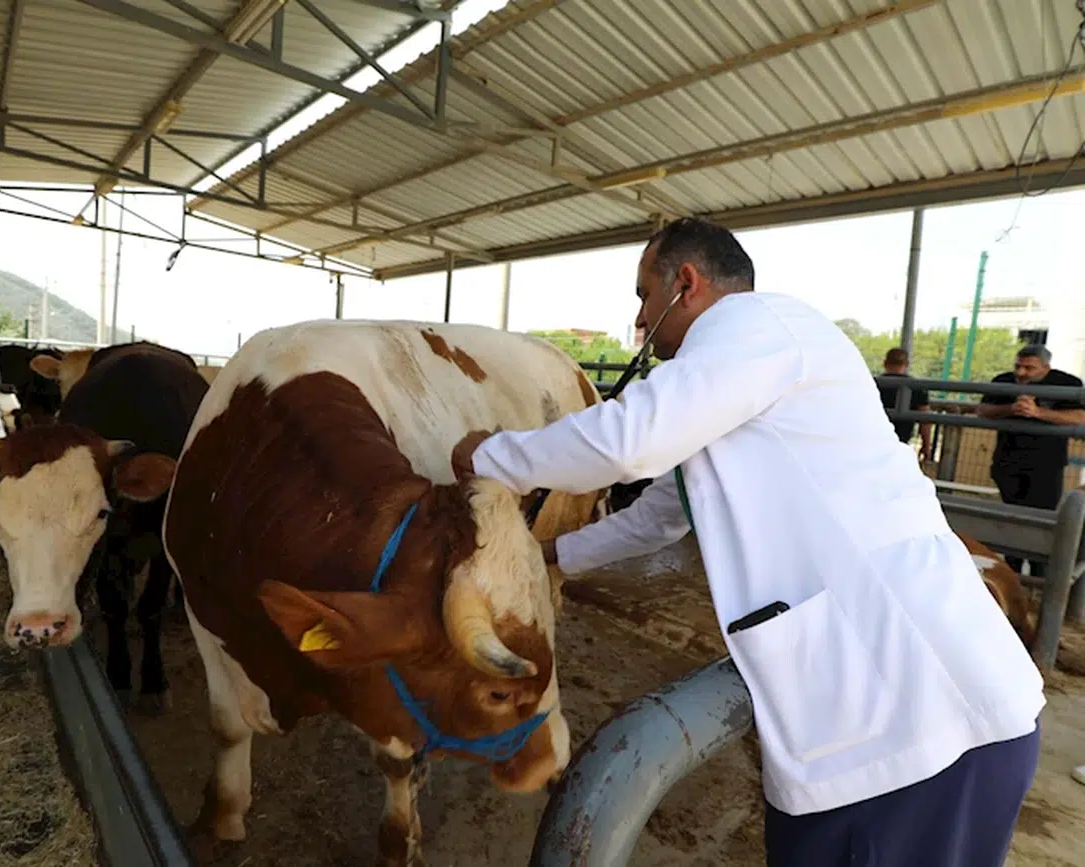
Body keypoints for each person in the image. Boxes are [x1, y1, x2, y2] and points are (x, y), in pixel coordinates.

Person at [452, 218, 1044, 867]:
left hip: (918, 728)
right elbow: (657, 517)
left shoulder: (757, 327)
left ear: (687, 283)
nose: (641, 318)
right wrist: (552, 558)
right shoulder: (732, 386)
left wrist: (491, 455)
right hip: (877, 729)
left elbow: (626, 441)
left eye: (645, 295)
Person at [976, 345, 1085, 576]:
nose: (1022, 372)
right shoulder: (1004, 380)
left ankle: (1038, 576)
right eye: (1018, 366)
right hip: (1007, 462)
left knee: (1042, 520)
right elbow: (983, 409)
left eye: (1029, 368)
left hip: (1046, 465)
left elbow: (1080, 416)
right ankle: (1014, 571)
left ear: (1046, 367)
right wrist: (1011, 408)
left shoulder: (1067, 383)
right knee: (1012, 517)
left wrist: (1038, 413)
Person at [877, 346, 933, 462]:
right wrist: (926, 445)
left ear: (885, 363)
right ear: (906, 364)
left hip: (873, 439)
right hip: (901, 442)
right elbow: (925, 420)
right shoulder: (917, 387)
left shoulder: (873, 384)